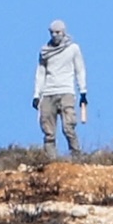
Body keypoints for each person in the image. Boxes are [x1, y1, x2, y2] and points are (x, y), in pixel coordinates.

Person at [34, 19, 87, 154]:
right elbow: (41, 73)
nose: (54, 35)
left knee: (68, 127)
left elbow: (79, 70)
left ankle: (76, 156)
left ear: (63, 32)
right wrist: (36, 94)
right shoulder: (44, 51)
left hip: (66, 91)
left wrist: (83, 92)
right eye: (51, 32)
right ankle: (51, 160)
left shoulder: (73, 48)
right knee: (48, 131)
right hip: (48, 93)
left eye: (57, 32)